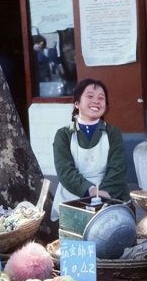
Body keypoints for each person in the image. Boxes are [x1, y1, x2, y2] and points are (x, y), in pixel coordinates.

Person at [51, 78, 130, 221]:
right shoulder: (63, 135)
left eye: (101, 98)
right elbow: (64, 171)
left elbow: (118, 167)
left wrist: (103, 194)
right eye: (90, 96)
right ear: (77, 103)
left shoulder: (113, 133)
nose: (96, 101)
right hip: (74, 194)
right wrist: (90, 190)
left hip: (109, 193)